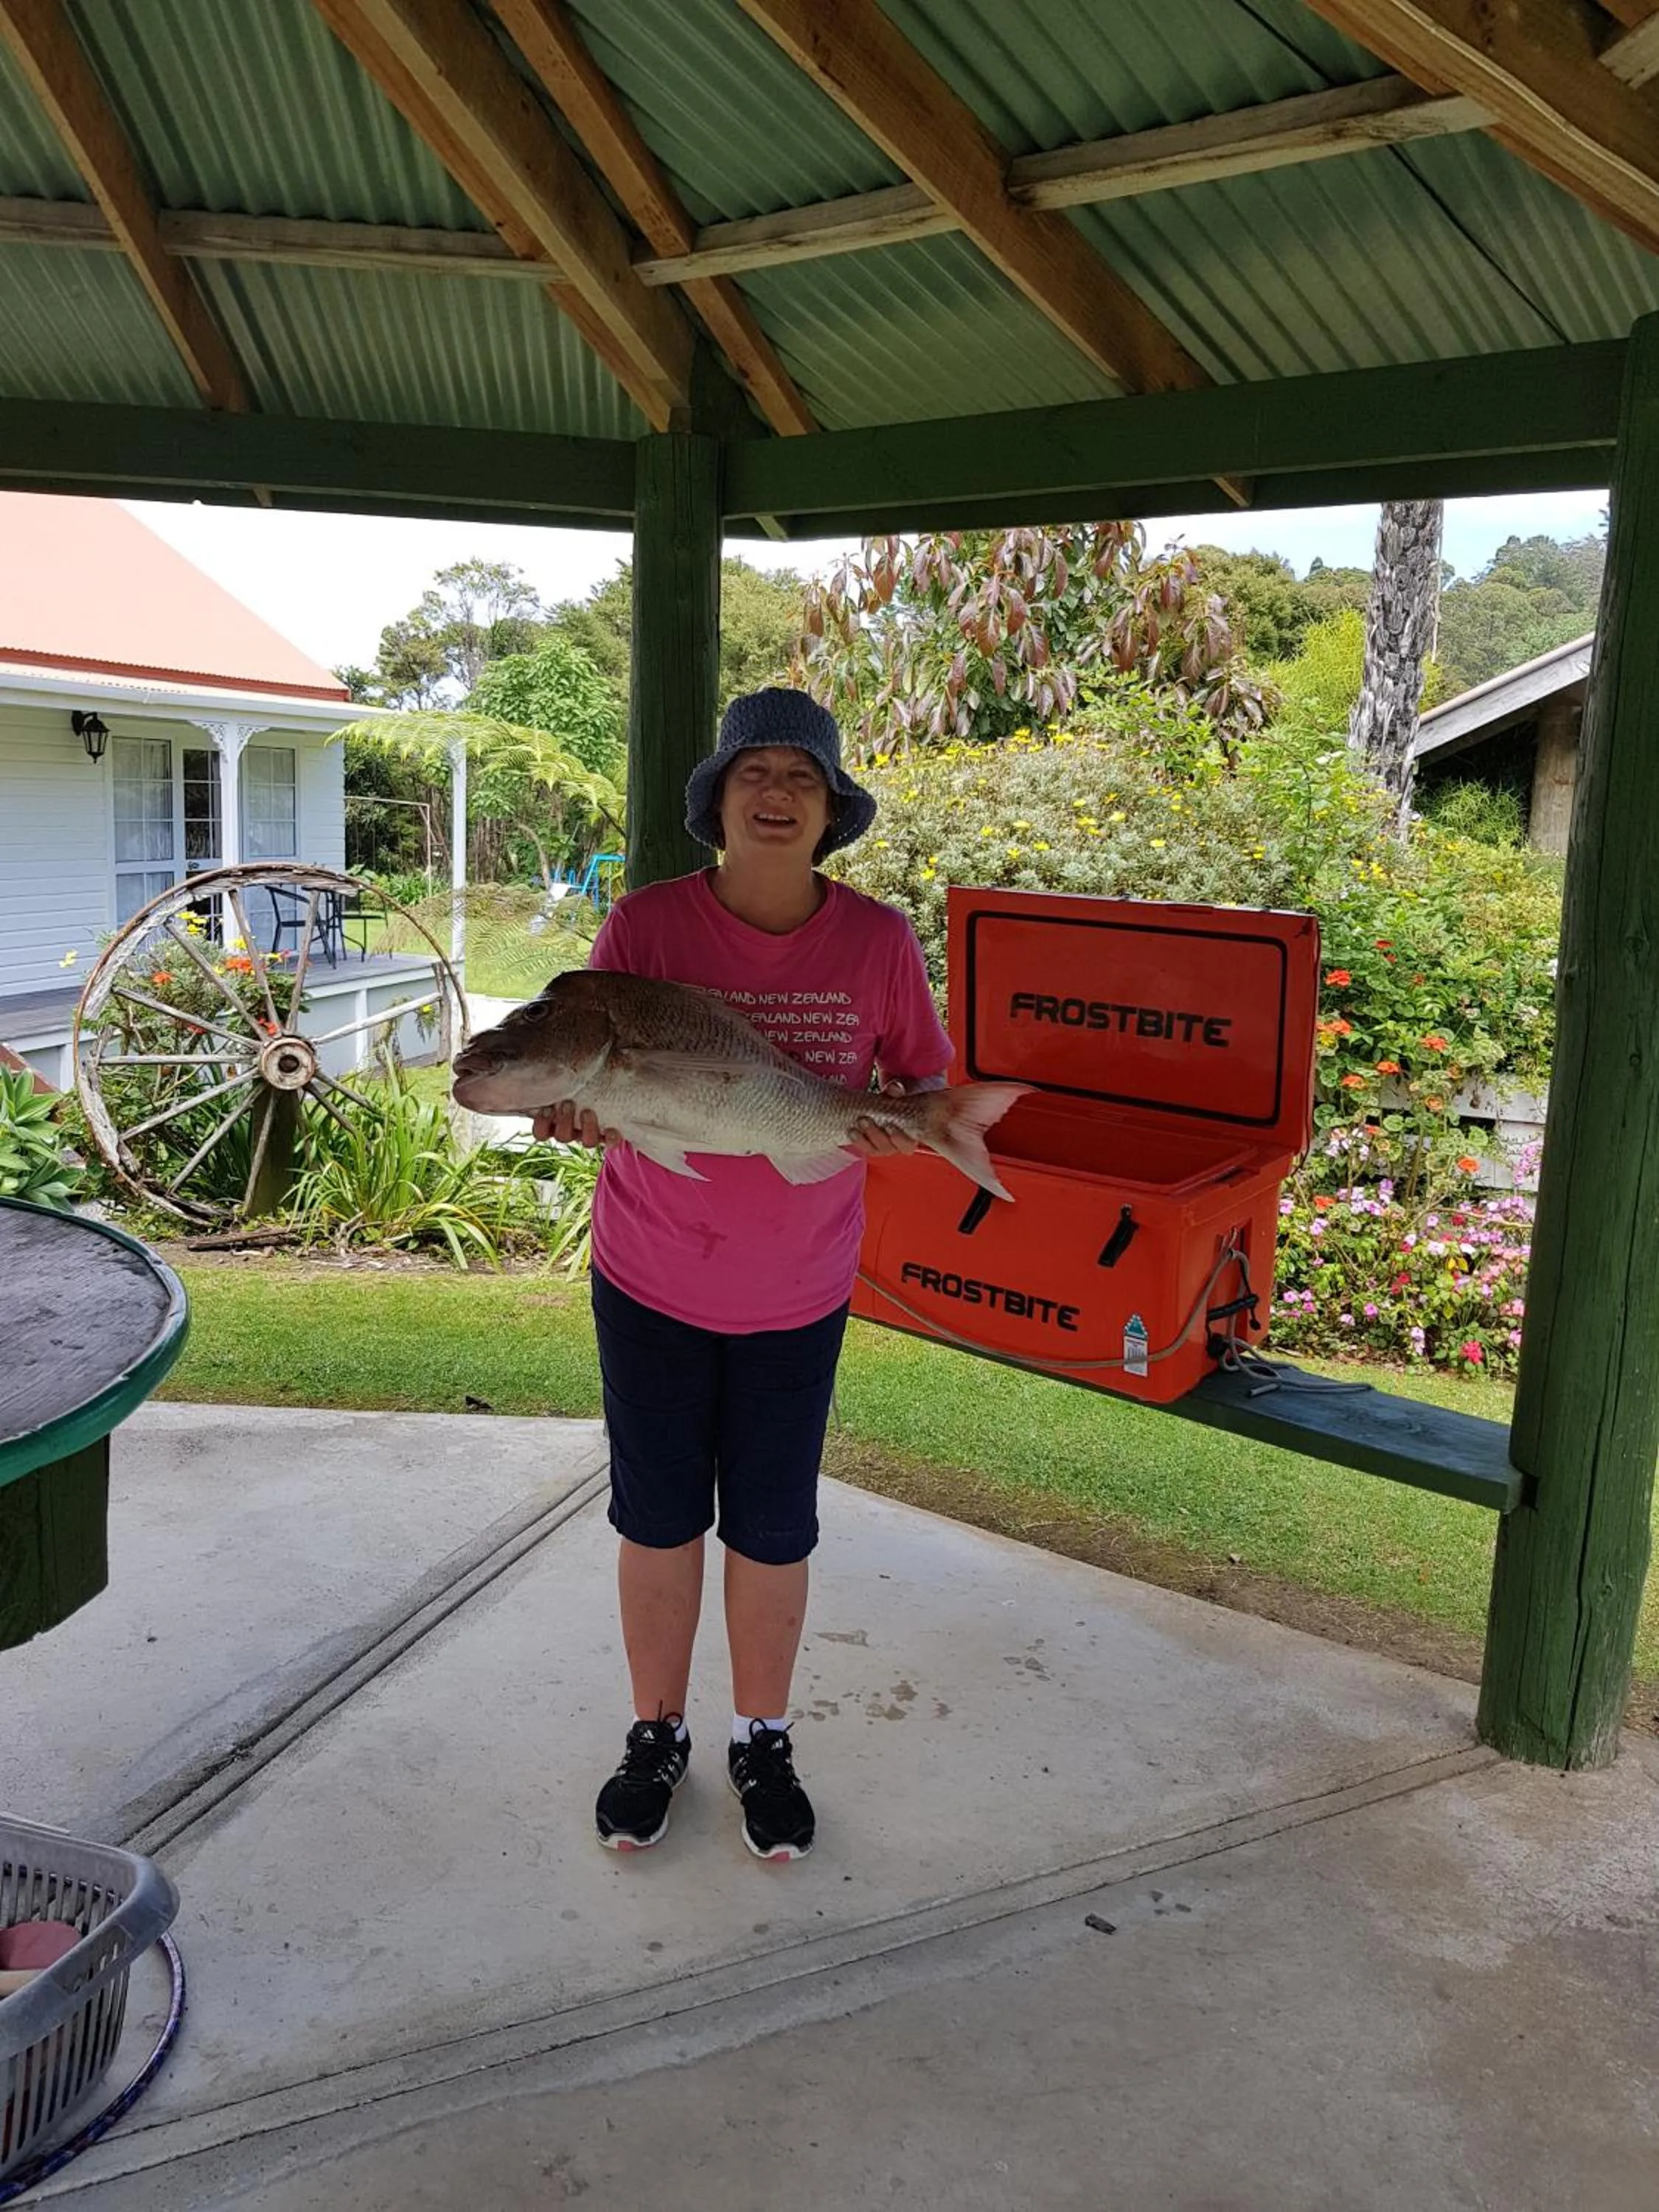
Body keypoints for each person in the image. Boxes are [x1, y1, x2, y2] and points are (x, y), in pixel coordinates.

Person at [535, 687, 951, 1861]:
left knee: (773, 1530)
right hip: (650, 1279)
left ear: (830, 812)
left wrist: (902, 1130)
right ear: (717, 801)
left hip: (797, 1294)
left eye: (801, 778)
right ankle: (655, 1734)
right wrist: (577, 1114)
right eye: (752, 773)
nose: (775, 793)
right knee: (657, 1520)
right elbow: (595, 1072)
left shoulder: (877, 942)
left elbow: (920, 1085)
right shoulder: (646, 928)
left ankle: (760, 1737)